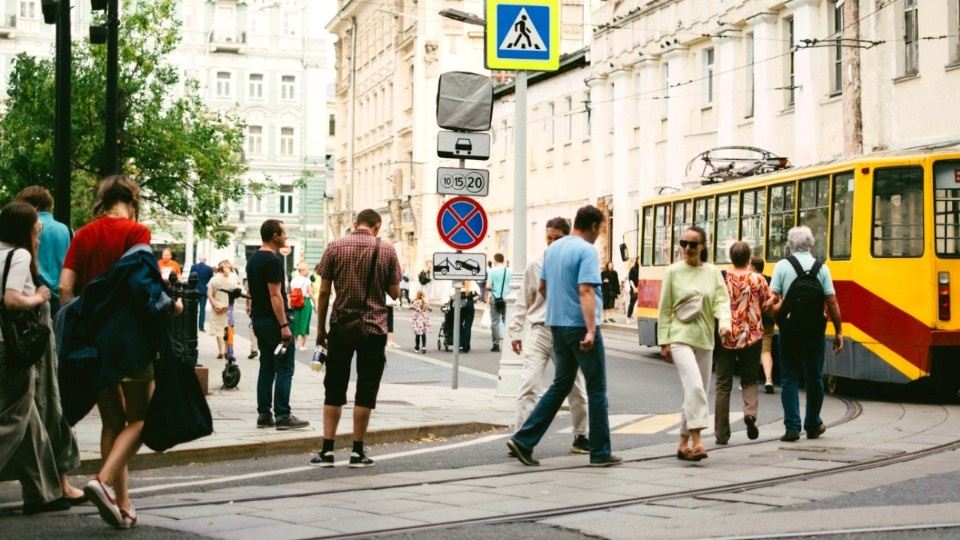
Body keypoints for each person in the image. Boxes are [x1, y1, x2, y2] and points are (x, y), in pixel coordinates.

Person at [60, 175, 182, 528]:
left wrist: (82, 324)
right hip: (130, 342)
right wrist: (172, 307)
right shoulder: (136, 233)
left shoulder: (83, 233)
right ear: (132, 197)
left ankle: (123, 503)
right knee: (140, 419)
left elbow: (65, 286)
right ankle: (104, 480)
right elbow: (144, 287)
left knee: (114, 420)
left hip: (93, 344)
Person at [507, 205, 621, 467]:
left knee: (560, 385)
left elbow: (543, 287)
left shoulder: (553, 251)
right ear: (593, 227)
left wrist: (560, 306)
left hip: (556, 325)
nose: (598, 236)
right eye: (600, 230)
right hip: (579, 325)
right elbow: (586, 291)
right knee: (596, 388)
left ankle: (524, 439)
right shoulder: (586, 250)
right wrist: (591, 329)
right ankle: (601, 451)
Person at [0, 202, 74, 516]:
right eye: (36, 230)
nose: (39, 238)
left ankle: (44, 493)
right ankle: (44, 492)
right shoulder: (19, 255)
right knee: (12, 421)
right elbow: (12, 299)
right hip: (12, 351)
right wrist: (39, 297)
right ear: (25, 230)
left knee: (29, 422)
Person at [311, 209, 401, 468]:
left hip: (341, 326)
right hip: (373, 329)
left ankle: (327, 450)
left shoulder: (334, 247)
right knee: (366, 387)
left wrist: (320, 329)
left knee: (335, 386)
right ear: (378, 226)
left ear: (354, 224)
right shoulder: (386, 250)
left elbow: (325, 292)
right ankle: (357, 452)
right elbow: (394, 293)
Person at [14, 188, 85, 502]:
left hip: (25, 326)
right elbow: (67, 280)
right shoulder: (65, 231)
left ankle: (49, 485)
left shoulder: (14, 246)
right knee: (46, 402)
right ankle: (57, 481)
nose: (39, 237)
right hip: (47, 316)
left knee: (35, 408)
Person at [508, 217, 590, 455]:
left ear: (568, 237)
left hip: (565, 331)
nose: (552, 242)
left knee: (576, 387)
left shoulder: (576, 263)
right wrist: (516, 330)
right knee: (529, 384)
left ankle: (581, 435)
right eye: (549, 238)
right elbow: (524, 298)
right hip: (539, 330)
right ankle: (521, 438)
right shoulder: (535, 264)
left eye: (558, 238)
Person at [657, 225, 731, 462]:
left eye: (692, 244)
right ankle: (698, 441)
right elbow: (665, 308)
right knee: (696, 388)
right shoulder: (673, 271)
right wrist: (664, 341)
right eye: (683, 244)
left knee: (694, 392)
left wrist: (724, 324)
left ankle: (682, 443)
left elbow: (722, 301)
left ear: (703, 246)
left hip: (705, 339)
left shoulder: (712, 273)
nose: (687, 248)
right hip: (680, 337)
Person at [765, 226, 843, 442]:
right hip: (815, 331)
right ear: (811, 244)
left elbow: (772, 300)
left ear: (790, 245)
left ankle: (792, 427)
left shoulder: (782, 266)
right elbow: (832, 302)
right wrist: (838, 331)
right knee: (814, 377)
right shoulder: (822, 268)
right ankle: (812, 425)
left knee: (789, 377)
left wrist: (775, 319)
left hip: (789, 331)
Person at [245, 220, 310, 431]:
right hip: (274, 322)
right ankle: (282, 414)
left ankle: (264, 414)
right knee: (284, 367)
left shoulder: (253, 259)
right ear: (275, 236)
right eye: (284, 233)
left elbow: (252, 291)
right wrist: (284, 324)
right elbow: (275, 295)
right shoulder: (272, 261)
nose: (286, 237)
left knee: (266, 367)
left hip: (259, 320)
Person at [714, 242, 772, 445]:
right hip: (752, 336)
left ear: (731, 258)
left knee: (723, 384)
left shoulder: (722, 278)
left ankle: (721, 433)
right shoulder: (758, 279)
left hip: (726, 335)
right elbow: (767, 303)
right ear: (749, 258)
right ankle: (750, 414)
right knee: (749, 379)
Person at [15, 187, 71, 316]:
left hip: (34, 296)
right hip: (61, 298)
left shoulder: (28, 227)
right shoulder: (68, 231)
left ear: (35, 206)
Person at [751, 256, 777, 394]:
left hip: (754, 319)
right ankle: (768, 379)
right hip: (768, 319)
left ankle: (749, 381)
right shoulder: (770, 279)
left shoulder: (750, 280)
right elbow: (775, 296)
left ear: (754, 268)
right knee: (766, 349)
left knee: (752, 350)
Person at [208, 260, 241, 359]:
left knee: (218, 331)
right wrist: (226, 306)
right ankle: (227, 349)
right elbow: (237, 295)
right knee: (227, 329)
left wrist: (214, 304)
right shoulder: (233, 280)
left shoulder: (213, 280)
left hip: (217, 307)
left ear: (219, 268)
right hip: (229, 308)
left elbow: (209, 294)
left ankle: (221, 350)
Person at [486, 253, 511, 352]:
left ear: (495, 260)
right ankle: (509, 342)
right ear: (503, 260)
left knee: (495, 322)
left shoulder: (492, 271)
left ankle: (496, 345)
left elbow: (488, 286)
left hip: (495, 299)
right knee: (507, 321)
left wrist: (495, 288)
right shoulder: (510, 271)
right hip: (507, 299)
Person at [290, 263, 314, 352]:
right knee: (305, 323)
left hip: (295, 303)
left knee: (296, 323)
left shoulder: (293, 280)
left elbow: (292, 292)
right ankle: (302, 345)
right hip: (305, 302)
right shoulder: (307, 281)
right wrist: (315, 303)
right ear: (302, 270)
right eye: (307, 269)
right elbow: (310, 294)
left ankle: (295, 343)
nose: (308, 271)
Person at [189, 256, 214, 332]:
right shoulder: (209, 269)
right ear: (205, 260)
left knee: (194, 309)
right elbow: (211, 280)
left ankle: (192, 326)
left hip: (195, 290)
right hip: (204, 291)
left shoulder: (193, 267)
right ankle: (201, 327)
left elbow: (190, 278)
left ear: (199, 259)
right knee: (202, 310)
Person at [458, 280, 477, 352]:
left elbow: (451, 294)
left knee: (459, 325)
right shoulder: (472, 282)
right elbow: (478, 293)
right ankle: (466, 346)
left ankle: (460, 344)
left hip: (459, 303)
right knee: (468, 326)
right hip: (469, 303)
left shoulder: (457, 282)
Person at [411, 289, 431, 354]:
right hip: (424, 320)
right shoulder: (424, 302)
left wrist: (413, 302)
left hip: (417, 321)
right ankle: (424, 346)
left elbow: (410, 307)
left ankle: (417, 347)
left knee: (417, 335)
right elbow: (430, 309)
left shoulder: (415, 302)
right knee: (423, 334)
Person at [627, 257, 639, 322]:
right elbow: (630, 280)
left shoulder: (642, 269)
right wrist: (634, 288)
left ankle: (635, 316)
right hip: (634, 288)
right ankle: (629, 316)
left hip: (641, 288)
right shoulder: (633, 269)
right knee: (632, 303)